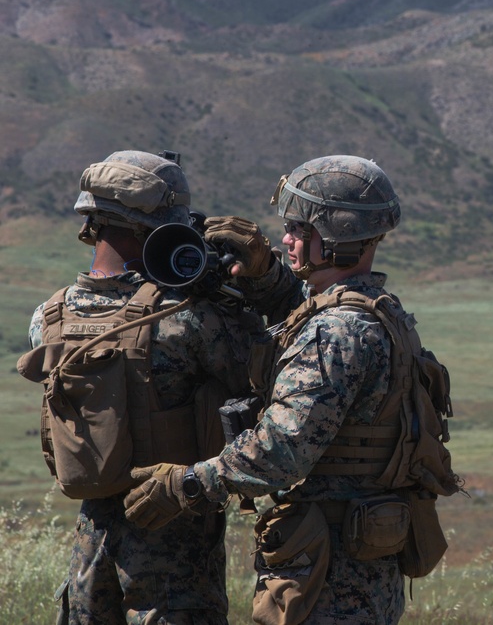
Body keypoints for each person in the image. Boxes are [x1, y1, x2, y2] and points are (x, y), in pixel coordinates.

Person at [123, 155, 459, 625]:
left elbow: (282, 450)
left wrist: (191, 482)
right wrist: (266, 277)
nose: (286, 239)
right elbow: (301, 313)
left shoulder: (336, 333)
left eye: (299, 229)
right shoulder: (377, 310)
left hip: (328, 570)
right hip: (358, 552)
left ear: (336, 237)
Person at [16, 150, 261, 625]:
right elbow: (263, 369)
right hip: (175, 544)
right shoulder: (188, 317)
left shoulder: (49, 316)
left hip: (92, 544)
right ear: (158, 229)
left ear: (93, 222)